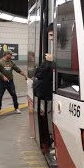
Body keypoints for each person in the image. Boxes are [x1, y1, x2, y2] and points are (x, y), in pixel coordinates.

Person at [33, 24, 54, 152]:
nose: (50, 38)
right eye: (49, 36)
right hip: (47, 92)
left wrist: (53, 60)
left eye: (52, 35)